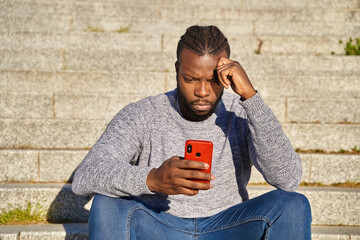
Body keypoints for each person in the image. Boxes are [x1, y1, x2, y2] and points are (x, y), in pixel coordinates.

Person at [72, 25, 312, 239]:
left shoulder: (241, 113)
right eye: (191, 79)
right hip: (159, 226)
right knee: (106, 204)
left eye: (214, 80)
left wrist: (251, 97)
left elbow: (288, 179)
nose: (203, 91)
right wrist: (153, 179)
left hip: (229, 227)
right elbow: (86, 176)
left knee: (293, 205)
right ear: (177, 70)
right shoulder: (143, 114)